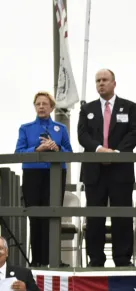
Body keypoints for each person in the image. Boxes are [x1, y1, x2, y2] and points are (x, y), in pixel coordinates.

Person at [77, 69, 136, 267]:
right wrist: (99, 150)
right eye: (97, 81)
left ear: (114, 83)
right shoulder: (87, 109)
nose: (100, 84)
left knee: (121, 215)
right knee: (95, 217)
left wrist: (116, 153)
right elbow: (82, 135)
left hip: (120, 170)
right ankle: (95, 259)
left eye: (104, 80)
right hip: (94, 171)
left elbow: (134, 133)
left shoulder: (129, 107)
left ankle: (122, 259)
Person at [14, 91, 72, 267]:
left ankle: (53, 258)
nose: (41, 106)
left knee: (53, 216)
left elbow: (69, 153)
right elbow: (18, 152)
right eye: (38, 104)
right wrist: (37, 149)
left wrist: (57, 148)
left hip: (54, 175)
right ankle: (37, 259)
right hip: (33, 174)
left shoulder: (60, 129)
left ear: (51, 107)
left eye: (44, 104)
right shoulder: (26, 128)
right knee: (36, 216)